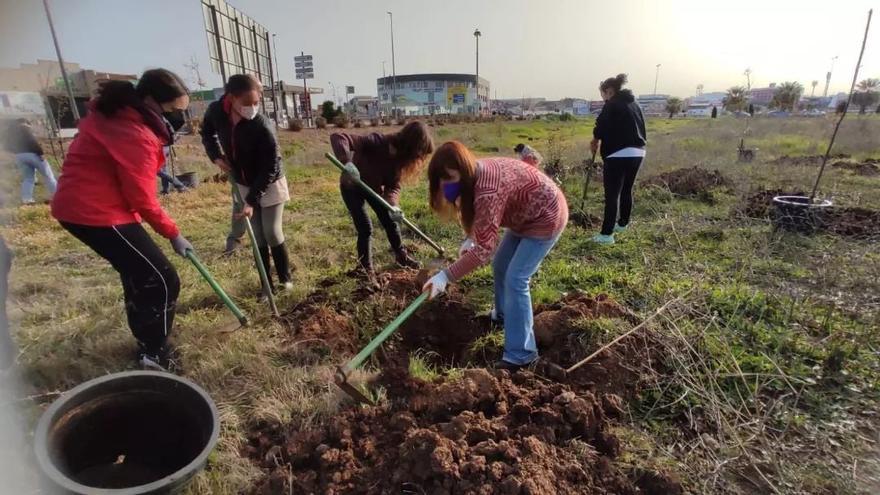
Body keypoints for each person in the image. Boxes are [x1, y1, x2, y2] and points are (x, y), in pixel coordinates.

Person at [50, 69, 193, 370]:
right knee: (162, 279)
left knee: (139, 274)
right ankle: (155, 354)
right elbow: (143, 199)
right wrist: (173, 233)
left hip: (86, 208)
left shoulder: (119, 116)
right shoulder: (135, 133)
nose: (180, 118)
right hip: (95, 212)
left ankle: (146, 343)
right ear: (152, 101)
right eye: (175, 111)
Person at [422, 141, 568, 371]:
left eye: (449, 177)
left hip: (546, 215)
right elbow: (479, 219)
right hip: (524, 217)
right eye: (440, 180)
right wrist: (471, 237)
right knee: (501, 266)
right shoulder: (474, 177)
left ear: (463, 169)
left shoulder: (487, 190)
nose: (445, 185)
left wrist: (445, 276)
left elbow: (483, 251)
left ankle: (521, 355)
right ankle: (502, 316)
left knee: (516, 278)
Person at [201, 74, 292, 293]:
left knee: (271, 232)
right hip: (242, 180)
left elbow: (271, 165)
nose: (253, 108)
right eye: (247, 103)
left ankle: (285, 279)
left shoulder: (262, 125)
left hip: (269, 182)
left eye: (256, 102)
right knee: (257, 236)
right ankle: (266, 286)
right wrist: (216, 156)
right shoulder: (216, 112)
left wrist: (251, 200)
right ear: (231, 98)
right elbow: (207, 133)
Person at [330, 121, 434, 275]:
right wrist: (347, 162)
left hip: (373, 190)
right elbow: (338, 137)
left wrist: (394, 206)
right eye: (417, 154)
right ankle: (364, 268)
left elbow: (393, 186)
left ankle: (401, 256)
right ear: (410, 146)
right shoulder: (376, 142)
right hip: (352, 186)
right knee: (365, 228)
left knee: (390, 222)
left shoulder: (399, 160)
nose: (416, 159)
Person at [590, 73, 647, 245]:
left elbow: (601, 125)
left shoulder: (612, 104)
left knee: (612, 195)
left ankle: (606, 235)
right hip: (638, 152)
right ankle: (622, 224)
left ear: (609, 91)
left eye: (603, 94)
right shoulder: (634, 104)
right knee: (626, 190)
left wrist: (595, 140)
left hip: (617, 153)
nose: (603, 98)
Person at [2, 118, 57, 205]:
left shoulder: (11, 132)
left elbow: (6, 147)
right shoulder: (24, 128)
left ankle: (27, 199)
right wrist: (40, 153)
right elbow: (32, 141)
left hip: (20, 156)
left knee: (28, 178)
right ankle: (57, 196)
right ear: (25, 123)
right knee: (48, 176)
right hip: (33, 155)